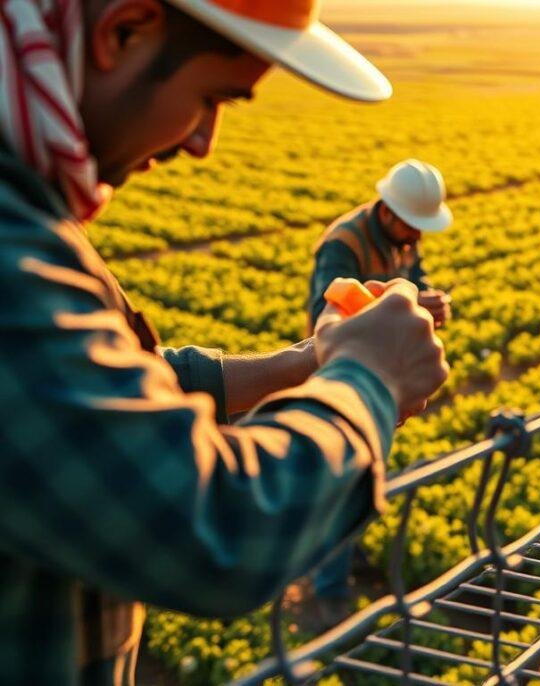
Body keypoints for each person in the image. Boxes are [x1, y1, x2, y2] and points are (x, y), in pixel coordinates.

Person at [0, 1, 449, 684]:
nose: (203, 141)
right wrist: (368, 378)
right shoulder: (11, 252)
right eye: (211, 98)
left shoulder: (27, 209)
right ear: (123, 30)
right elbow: (217, 532)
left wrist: (302, 366)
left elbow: (116, 390)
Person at [304, 159, 453, 616]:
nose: (418, 238)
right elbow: (323, 317)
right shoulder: (342, 245)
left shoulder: (401, 234)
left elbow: (414, 277)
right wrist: (394, 302)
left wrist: (423, 298)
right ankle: (327, 589)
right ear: (388, 214)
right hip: (339, 372)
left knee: (368, 467)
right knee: (342, 473)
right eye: (413, 227)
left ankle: (346, 551)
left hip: (383, 373)